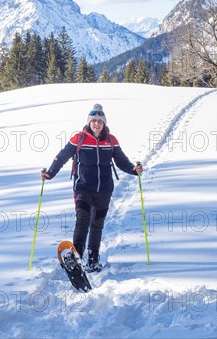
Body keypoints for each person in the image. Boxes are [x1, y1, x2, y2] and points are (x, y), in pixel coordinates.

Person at [41, 103, 142, 272]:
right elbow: (62, 157)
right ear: (89, 122)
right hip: (83, 187)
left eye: (100, 121)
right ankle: (76, 256)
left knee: (97, 224)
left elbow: (121, 161)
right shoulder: (79, 138)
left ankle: (93, 259)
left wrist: (134, 170)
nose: (96, 124)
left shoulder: (111, 140)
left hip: (104, 189)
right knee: (83, 220)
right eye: (93, 120)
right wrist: (50, 173)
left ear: (104, 123)